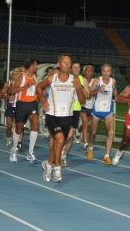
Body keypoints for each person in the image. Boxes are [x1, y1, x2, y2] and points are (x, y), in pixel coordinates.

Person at [37, 54, 85, 182]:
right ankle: (57, 171)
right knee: (59, 139)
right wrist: (43, 101)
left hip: (67, 117)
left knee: (58, 144)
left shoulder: (74, 80)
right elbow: (38, 87)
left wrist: (80, 91)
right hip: (52, 115)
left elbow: (82, 99)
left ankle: (48, 165)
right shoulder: (52, 78)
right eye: (64, 62)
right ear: (59, 64)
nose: (67, 65)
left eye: (69, 62)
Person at [88, 64, 118, 165]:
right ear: (101, 72)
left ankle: (106, 156)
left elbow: (116, 94)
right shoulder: (97, 81)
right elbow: (89, 94)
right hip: (97, 110)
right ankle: (90, 147)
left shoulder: (113, 81)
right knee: (93, 132)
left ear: (111, 72)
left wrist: (115, 93)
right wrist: (98, 90)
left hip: (108, 110)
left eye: (108, 71)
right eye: (104, 71)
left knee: (111, 132)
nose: (106, 73)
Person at [10, 59, 39, 163]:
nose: (37, 67)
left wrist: (38, 94)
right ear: (31, 66)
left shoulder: (35, 77)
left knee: (35, 127)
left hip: (33, 104)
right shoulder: (21, 76)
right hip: (22, 104)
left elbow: (35, 90)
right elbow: (12, 90)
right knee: (18, 129)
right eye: (36, 65)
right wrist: (27, 86)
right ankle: (13, 150)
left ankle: (30, 153)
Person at [60, 61, 84, 166]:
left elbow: (86, 93)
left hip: (76, 109)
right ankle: (58, 151)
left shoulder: (81, 79)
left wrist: (86, 91)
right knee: (63, 134)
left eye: (78, 68)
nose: (76, 69)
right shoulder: (66, 78)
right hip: (65, 109)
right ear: (70, 68)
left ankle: (63, 155)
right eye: (74, 67)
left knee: (70, 134)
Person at [0, 67, 24, 147]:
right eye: (15, 74)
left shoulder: (22, 84)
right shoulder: (8, 83)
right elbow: (2, 95)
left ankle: (19, 142)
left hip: (20, 106)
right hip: (10, 106)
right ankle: (9, 138)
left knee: (19, 125)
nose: (16, 75)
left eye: (18, 74)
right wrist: (8, 97)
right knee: (9, 126)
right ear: (11, 75)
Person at [79, 65, 95, 149]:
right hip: (82, 105)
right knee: (85, 123)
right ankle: (86, 143)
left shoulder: (95, 81)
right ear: (84, 72)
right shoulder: (80, 80)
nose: (89, 72)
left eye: (91, 71)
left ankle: (79, 129)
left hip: (92, 106)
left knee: (87, 124)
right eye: (87, 71)